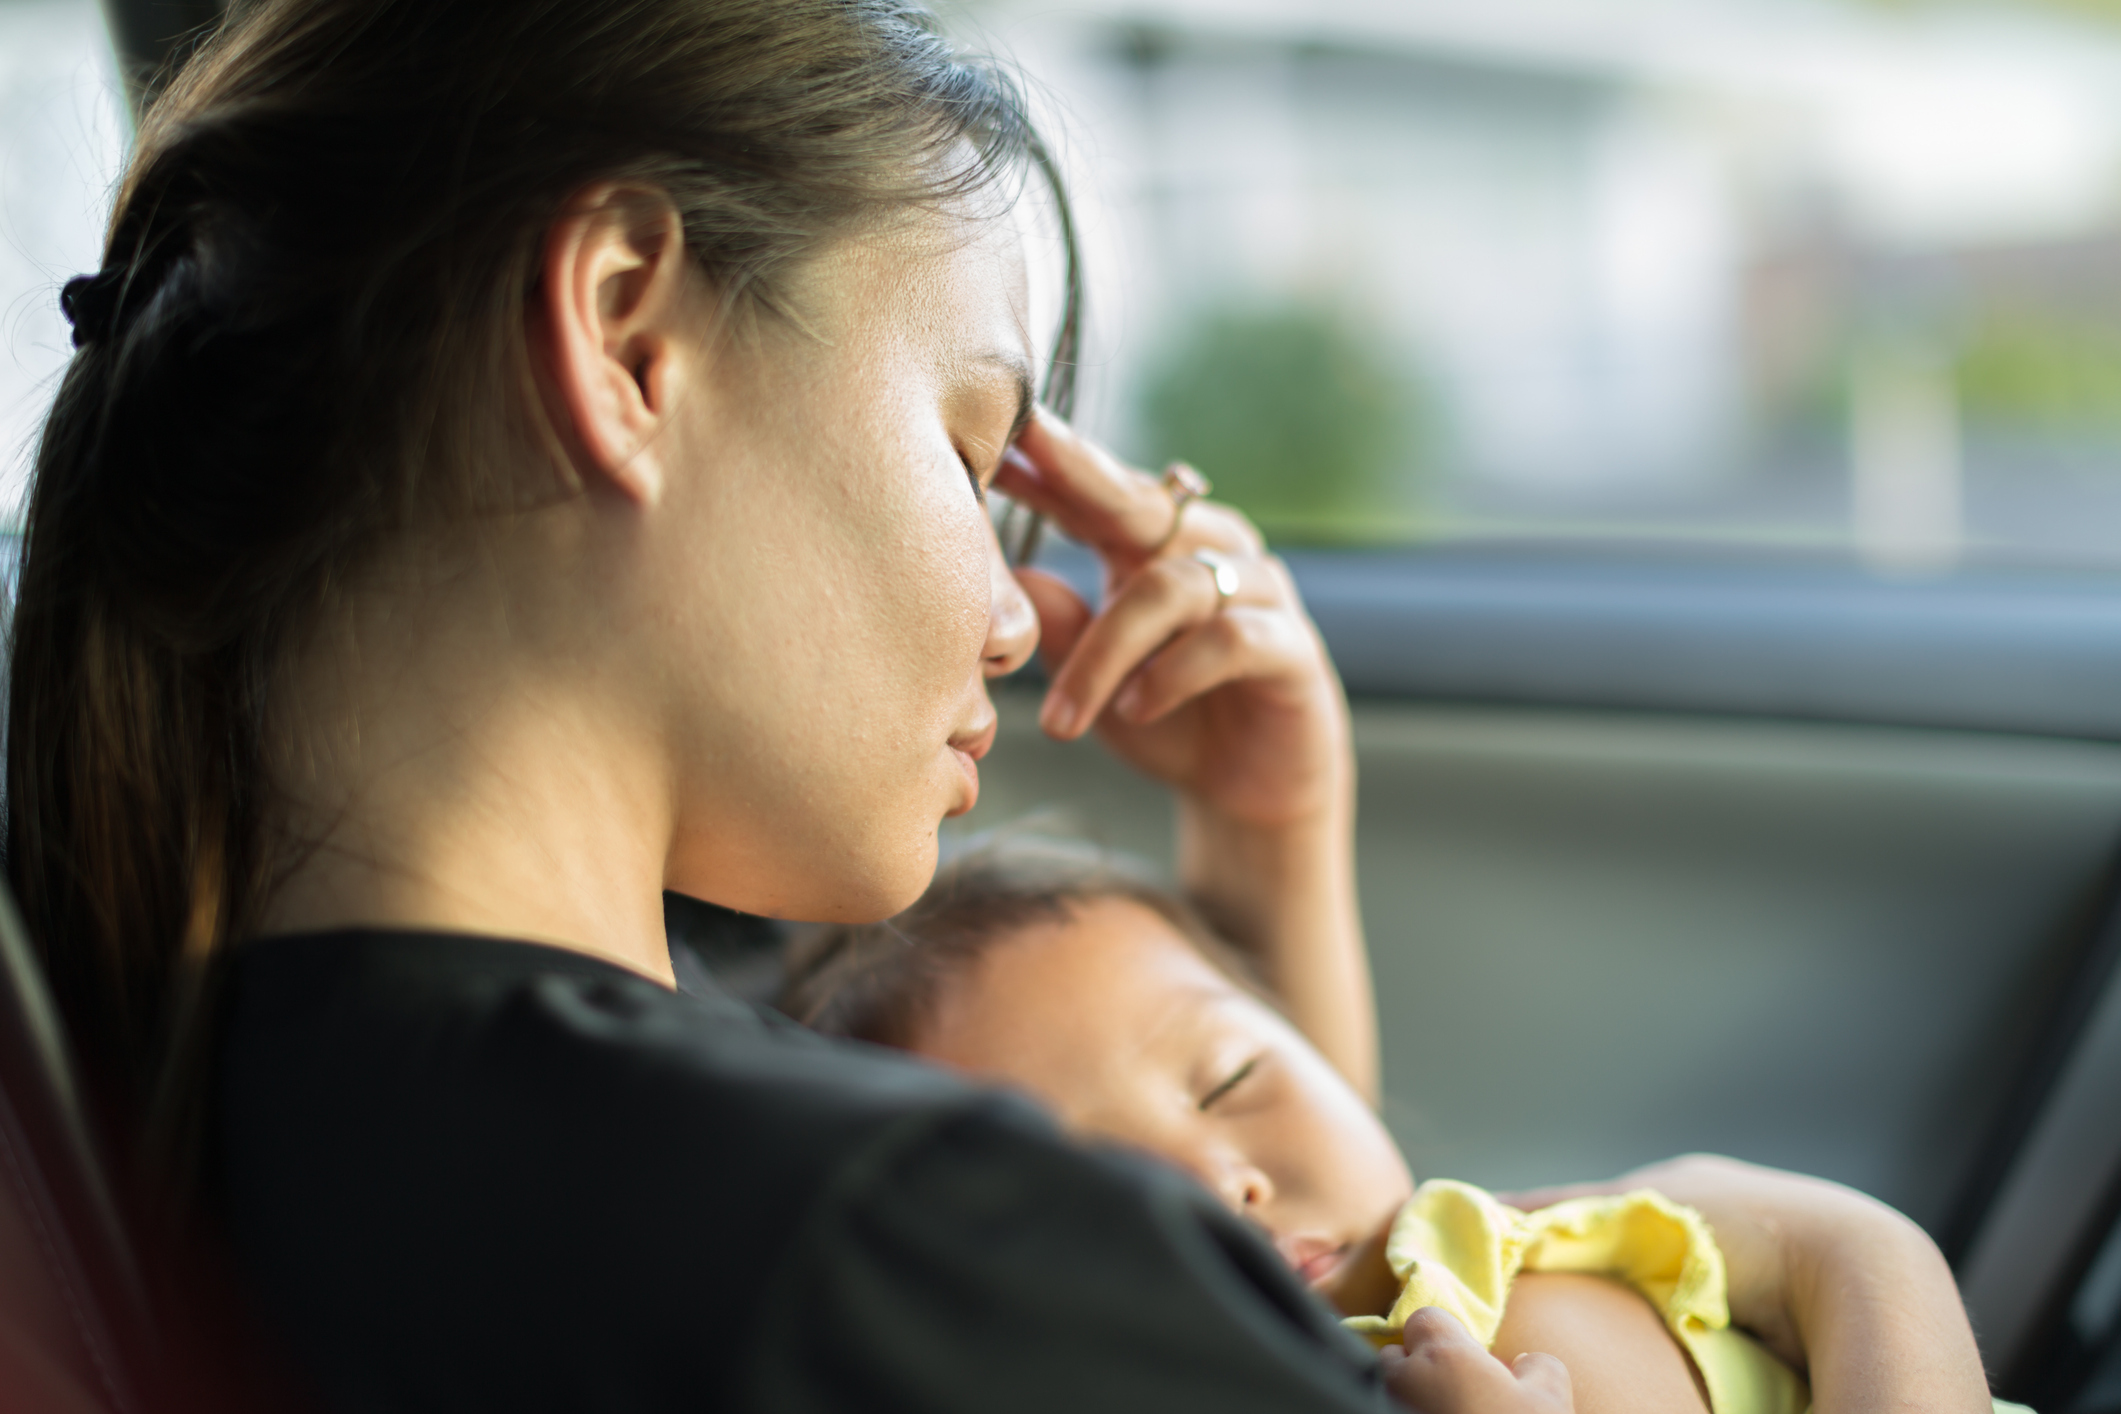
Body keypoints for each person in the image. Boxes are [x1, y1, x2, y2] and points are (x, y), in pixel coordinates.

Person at [4, 0, 1994, 1409]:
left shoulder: (279, 1092)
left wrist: (1267, 858)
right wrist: (1847, 1262)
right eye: (970, 452)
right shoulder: (892, 1237)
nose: (1017, 613)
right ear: (625, 338)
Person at [783, 839, 2025, 1414]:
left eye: (1226, 1081)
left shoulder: (1502, 1249)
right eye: (1088, 1183)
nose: (1221, 1180)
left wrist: (1848, 1253)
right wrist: (1863, 1250)